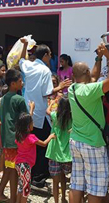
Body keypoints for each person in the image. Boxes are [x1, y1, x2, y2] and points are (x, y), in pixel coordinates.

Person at [68, 43, 109, 203]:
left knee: (76, 183)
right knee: (95, 187)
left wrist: (99, 58)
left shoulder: (72, 89)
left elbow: (94, 77)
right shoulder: (90, 90)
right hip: (93, 144)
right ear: (87, 73)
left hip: (76, 142)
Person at [18, 38, 72, 186]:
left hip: (28, 108)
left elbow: (21, 59)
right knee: (41, 146)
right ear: (46, 55)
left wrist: (23, 45)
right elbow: (47, 92)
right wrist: (60, 86)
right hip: (40, 112)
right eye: (50, 55)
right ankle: (38, 176)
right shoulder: (45, 70)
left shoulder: (29, 65)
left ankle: (32, 173)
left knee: (29, 142)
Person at [0, 69, 28, 203]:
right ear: (13, 84)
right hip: (16, 139)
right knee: (14, 170)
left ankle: (2, 193)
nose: (22, 83)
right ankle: (13, 198)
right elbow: (26, 119)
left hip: (6, 138)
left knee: (10, 168)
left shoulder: (4, 99)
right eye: (20, 81)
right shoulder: (19, 99)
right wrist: (31, 109)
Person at [15, 111, 56, 203]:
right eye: (32, 123)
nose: (33, 124)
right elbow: (44, 144)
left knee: (21, 186)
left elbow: (25, 121)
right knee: (26, 188)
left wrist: (32, 110)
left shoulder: (19, 136)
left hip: (19, 163)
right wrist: (51, 136)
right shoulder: (31, 137)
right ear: (28, 126)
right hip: (26, 165)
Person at [46, 96, 72, 203]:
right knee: (64, 178)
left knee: (55, 182)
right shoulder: (72, 118)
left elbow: (47, 111)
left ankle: (56, 200)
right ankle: (63, 198)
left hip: (54, 152)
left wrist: (52, 103)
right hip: (67, 154)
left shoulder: (55, 116)